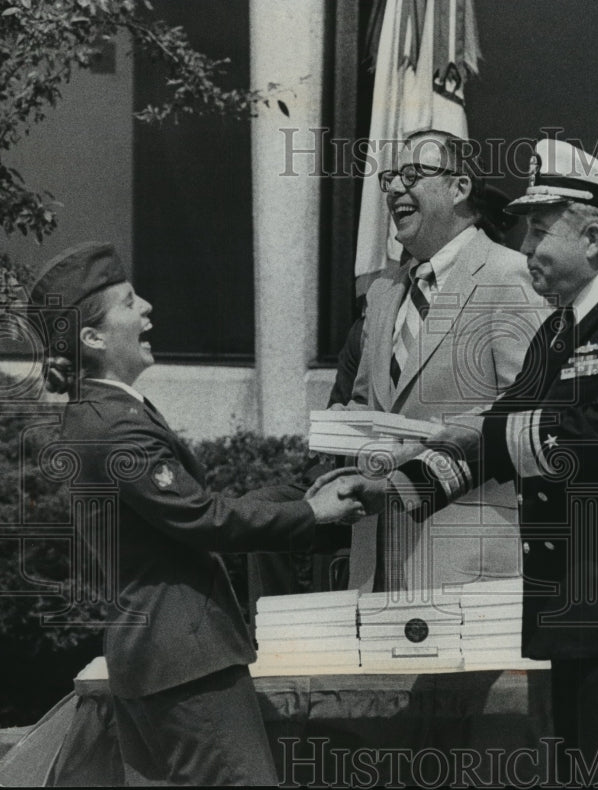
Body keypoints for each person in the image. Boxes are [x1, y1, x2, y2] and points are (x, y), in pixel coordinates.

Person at [320, 138, 598, 778]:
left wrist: (489, 435)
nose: (526, 248)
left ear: (592, 237)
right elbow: (501, 430)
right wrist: (399, 490)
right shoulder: (561, 327)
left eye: (540, 231)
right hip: (577, 606)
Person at [30, 242, 365, 786]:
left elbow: (178, 520)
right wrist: (312, 514)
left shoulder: (104, 413)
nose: (147, 310)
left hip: (155, 657)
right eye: (129, 302)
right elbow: (203, 521)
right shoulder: (114, 424)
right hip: (185, 660)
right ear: (92, 338)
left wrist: (292, 500)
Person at [337, 129, 543, 594]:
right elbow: (368, 402)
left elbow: (528, 417)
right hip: (379, 558)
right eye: (390, 177)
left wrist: (423, 448)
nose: (392, 188)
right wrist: (346, 424)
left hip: (466, 561)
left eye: (411, 175)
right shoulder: (384, 291)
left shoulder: (509, 276)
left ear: (460, 188)